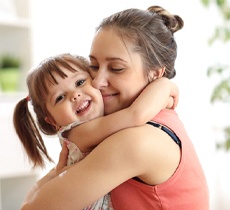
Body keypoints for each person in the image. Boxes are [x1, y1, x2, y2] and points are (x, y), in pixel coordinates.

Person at [19, 5, 209, 210]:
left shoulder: (137, 140)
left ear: (155, 73)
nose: (98, 81)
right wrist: (163, 86)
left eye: (116, 68)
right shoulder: (151, 120)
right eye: (93, 66)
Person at [13, 53, 177, 209]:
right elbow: (135, 115)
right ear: (53, 121)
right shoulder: (78, 132)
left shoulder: (104, 124)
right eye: (60, 98)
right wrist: (163, 86)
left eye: (79, 83)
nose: (75, 95)